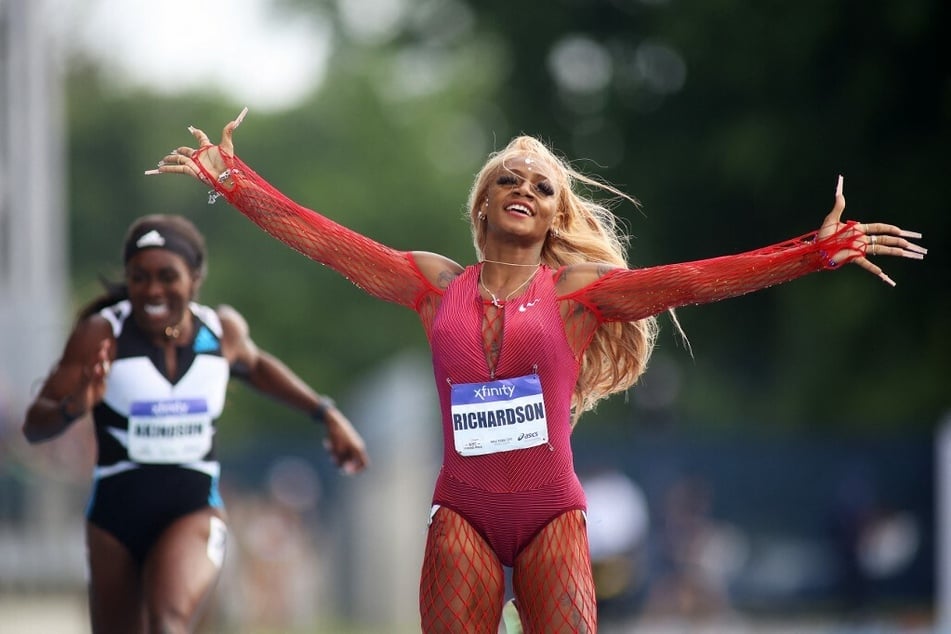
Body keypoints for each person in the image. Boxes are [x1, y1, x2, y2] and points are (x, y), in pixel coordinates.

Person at [146, 109, 926, 633]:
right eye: (507, 182)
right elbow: (325, 241)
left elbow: (692, 281)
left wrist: (811, 252)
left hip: (553, 513)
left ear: (555, 217)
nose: (523, 188)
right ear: (482, 208)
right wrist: (233, 181)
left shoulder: (582, 297)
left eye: (541, 186)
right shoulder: (431, 284)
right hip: (462, 515)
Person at [22, 213, 369, 634]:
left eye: (167, 276)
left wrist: (326, 414)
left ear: (196, 278)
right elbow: (34, 426)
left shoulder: (221, 332)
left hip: (194, 510)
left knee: (169, 623)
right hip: (115, 518)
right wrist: (74, 406)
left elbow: (258, 368)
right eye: (139, 277)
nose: (152, 290)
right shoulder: (102, 335)